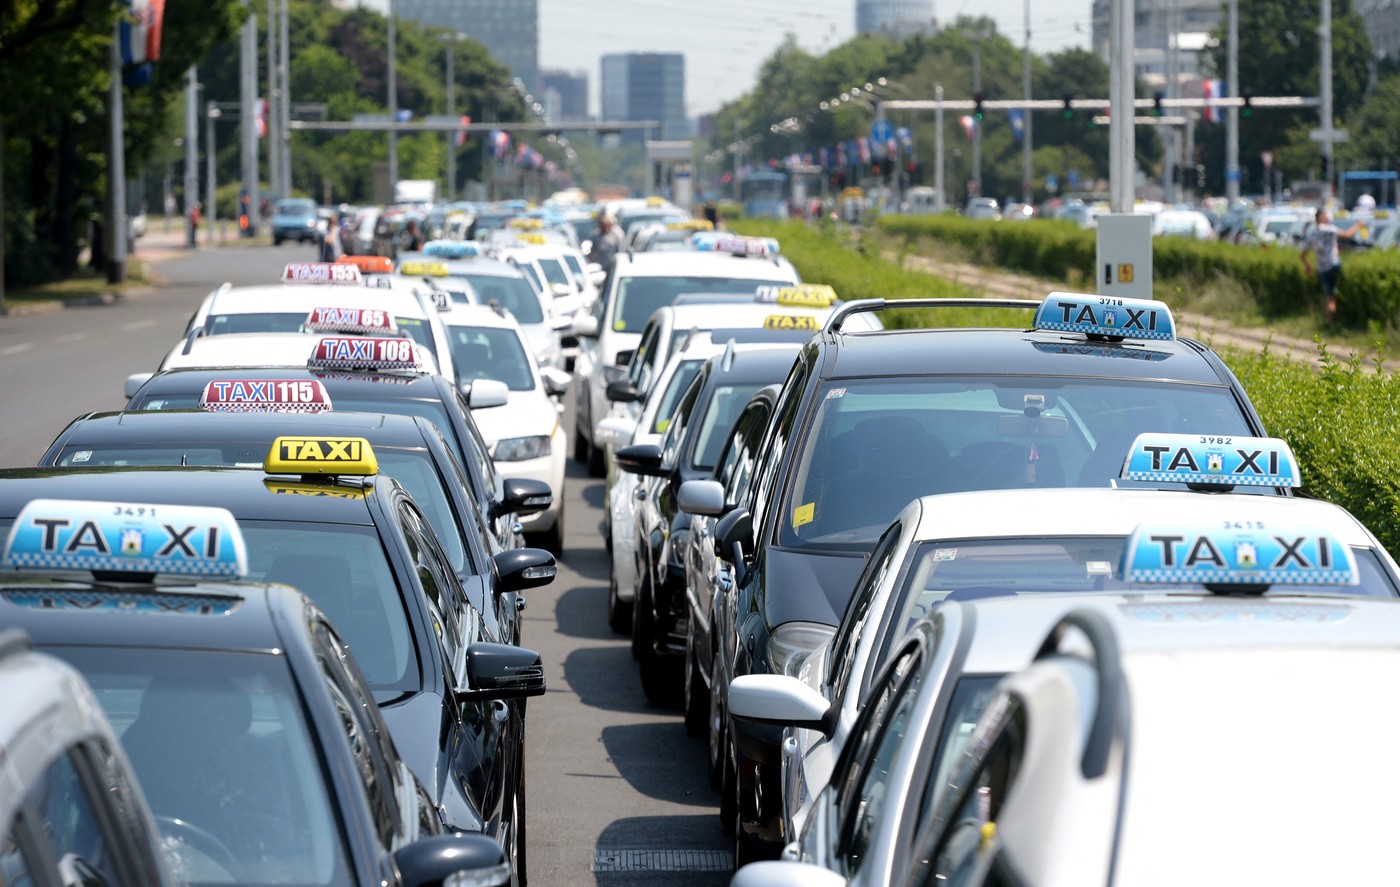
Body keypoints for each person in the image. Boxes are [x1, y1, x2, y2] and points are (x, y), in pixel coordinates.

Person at [1300, 208, 1363, 326]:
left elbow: (1302, 255)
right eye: (1326, 215)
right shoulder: (1329, 229)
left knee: (1329, 297)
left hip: (1322, 268)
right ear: (1321, 218)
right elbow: (1347, 235)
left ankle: (1331, 323)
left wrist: (1308, 267)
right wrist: (1358, 225)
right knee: (1334, 293)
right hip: (1334, 264)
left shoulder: (1312, 234)